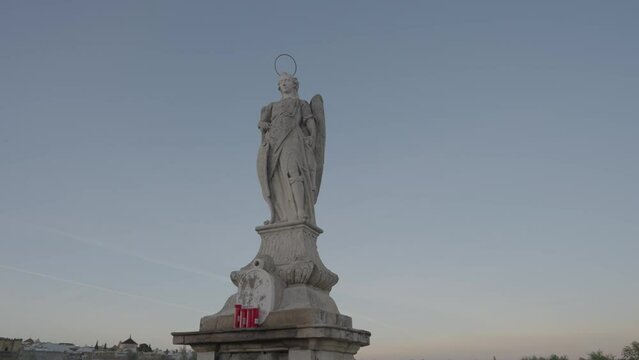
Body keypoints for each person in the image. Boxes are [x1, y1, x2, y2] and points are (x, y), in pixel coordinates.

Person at [257, 72, 324, 226]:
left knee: (293, 171)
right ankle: (279, 216)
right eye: (281, 82)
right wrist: (264, 125)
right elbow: (262, 123)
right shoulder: (272, 106)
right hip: (274, 142)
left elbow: (310, 122)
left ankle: (300, 212)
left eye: (287, 80)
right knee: (274, 178)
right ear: (279, 87)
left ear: (294, 84)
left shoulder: (301, 104)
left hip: (293, 138)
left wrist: (312, 138)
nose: (284, 83)